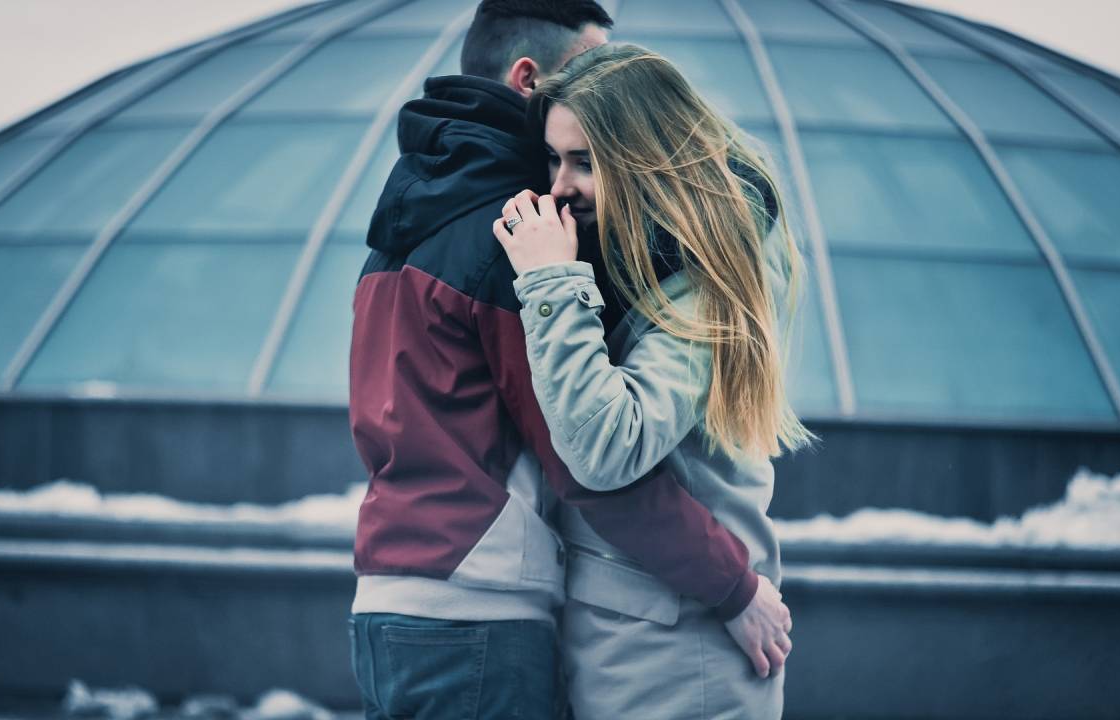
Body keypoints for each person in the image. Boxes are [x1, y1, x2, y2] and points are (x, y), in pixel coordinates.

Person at [348, 2, 792, 717]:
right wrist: (734, 588)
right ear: (528, 80)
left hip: (390, 596)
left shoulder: (407, 218)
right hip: (481, 605)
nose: (559, 185)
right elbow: (589, 463)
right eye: (586, 65)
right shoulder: (516, 237)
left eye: (582, 160)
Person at [492, 42, 812, 719]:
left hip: (681, 660)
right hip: (638, 645)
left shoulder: (704, 278)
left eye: (586, 162)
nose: (560, 186)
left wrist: (550, 282)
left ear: (645, 158)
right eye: (553, 159)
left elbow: (608, 446)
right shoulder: (631, 259)